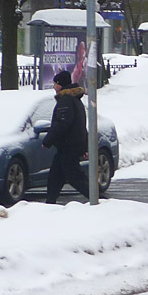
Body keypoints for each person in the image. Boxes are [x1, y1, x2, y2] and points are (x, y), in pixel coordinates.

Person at [42, 70, 90, 203]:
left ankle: (98, 200)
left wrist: (48, 141)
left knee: (76, 178)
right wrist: (85, 146)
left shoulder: (66, 101)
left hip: (68, 146)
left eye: (55, 84)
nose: (53, 86)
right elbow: (80, 126)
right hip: (68, 146)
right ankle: (49, 204)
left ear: (60, 85)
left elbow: (62, 124)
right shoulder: (75, 100)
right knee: (55, 177)